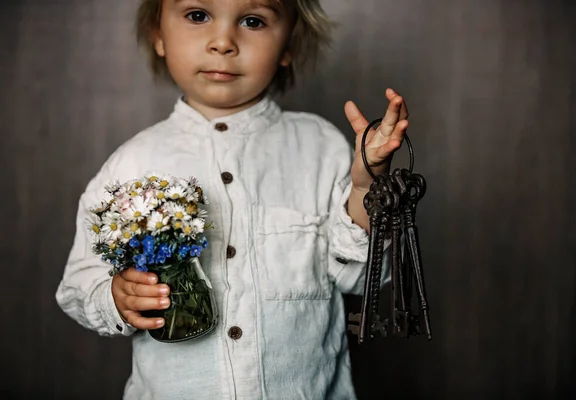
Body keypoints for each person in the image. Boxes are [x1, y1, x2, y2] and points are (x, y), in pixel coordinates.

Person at [55, 0, 409, 398]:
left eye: (253, 21)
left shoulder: (321, 147)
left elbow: (364, 278)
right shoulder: (131, 163)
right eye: (197, 15)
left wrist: (363, 189)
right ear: (158, 34)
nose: (223, 41)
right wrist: (116, 297)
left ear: (289, 44)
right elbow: (78, 284)